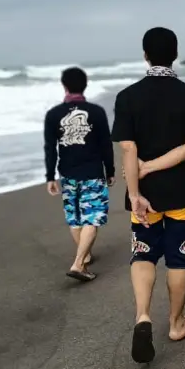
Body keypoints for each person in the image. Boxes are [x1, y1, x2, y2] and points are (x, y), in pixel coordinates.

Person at [111, 27, 185, 364]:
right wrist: (152, 166)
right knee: (179, 259)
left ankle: (142, 317)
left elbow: (127, 148)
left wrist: (135, 190)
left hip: (145, 196)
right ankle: (177, 324)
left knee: (143, 254)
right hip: (183, 190)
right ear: (175, 54)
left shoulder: (127, 97)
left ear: (145, 55)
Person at [43, 66, 115, 282]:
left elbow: (50, 147)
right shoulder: (96, 112)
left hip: (68, 173)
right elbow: (106, 145)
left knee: (75, 219)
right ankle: (78, 263)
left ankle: (85, 256)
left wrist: (50, 177)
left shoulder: (53, 114)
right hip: (92, 172)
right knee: (91, 218)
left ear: (64, 86)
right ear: (85, 85)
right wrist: (109, 170)